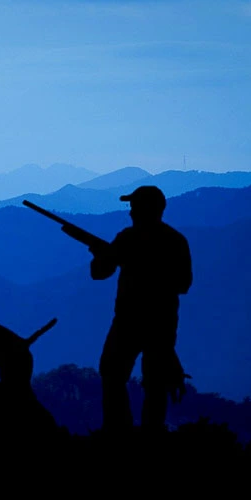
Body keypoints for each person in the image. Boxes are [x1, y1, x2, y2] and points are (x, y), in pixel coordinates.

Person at [87, 185, 192, 434]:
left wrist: (103, 256)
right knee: (153, 383)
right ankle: (148, 435)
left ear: (147, 209)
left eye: (134, 207)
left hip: (129, 322)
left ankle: (118, 432)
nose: (131, 212)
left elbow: (99, 273)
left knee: (114, 374)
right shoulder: (175, 240)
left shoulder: (128, 238)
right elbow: (184, 284)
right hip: (162, 323)